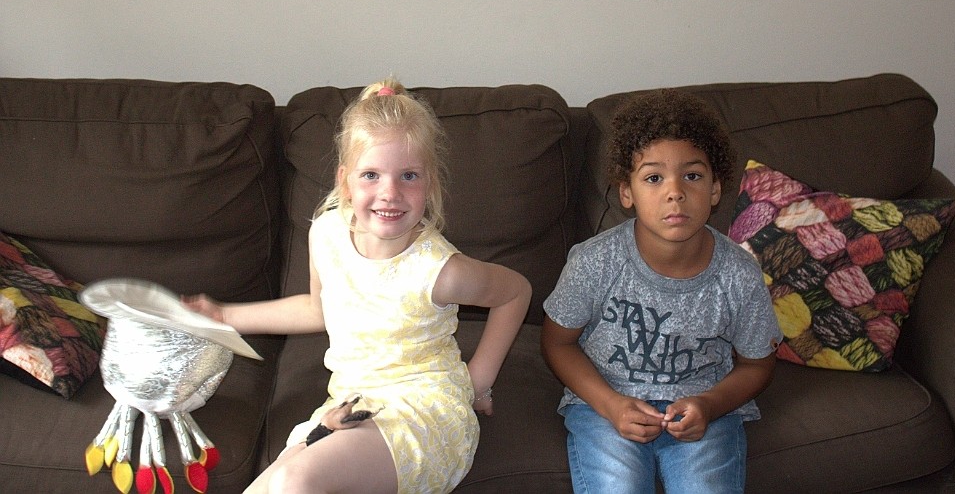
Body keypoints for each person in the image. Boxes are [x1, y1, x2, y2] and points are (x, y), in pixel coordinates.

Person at [184, 78, 532, 494]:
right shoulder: (327, 232)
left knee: (294, 481)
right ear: (345, 181)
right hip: (351, 406)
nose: (390, 193)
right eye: (371, 175)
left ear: (430, 185)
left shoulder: (440, 270)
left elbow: (516, 291)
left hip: (423, 411)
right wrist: (223, 315)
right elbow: (316, 309)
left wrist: (478, 382)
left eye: (408, 176)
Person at [541, 88, 781, 493]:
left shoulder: (739, 274)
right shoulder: (594, 261)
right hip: (606, 406)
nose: (675, 192)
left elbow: (757, 365)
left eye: (692, 176)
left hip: (704, 411)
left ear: (716, 189)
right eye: (654, 178)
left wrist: (710, 405)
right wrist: (610, 405)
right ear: (627, 192)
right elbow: (557, 342)